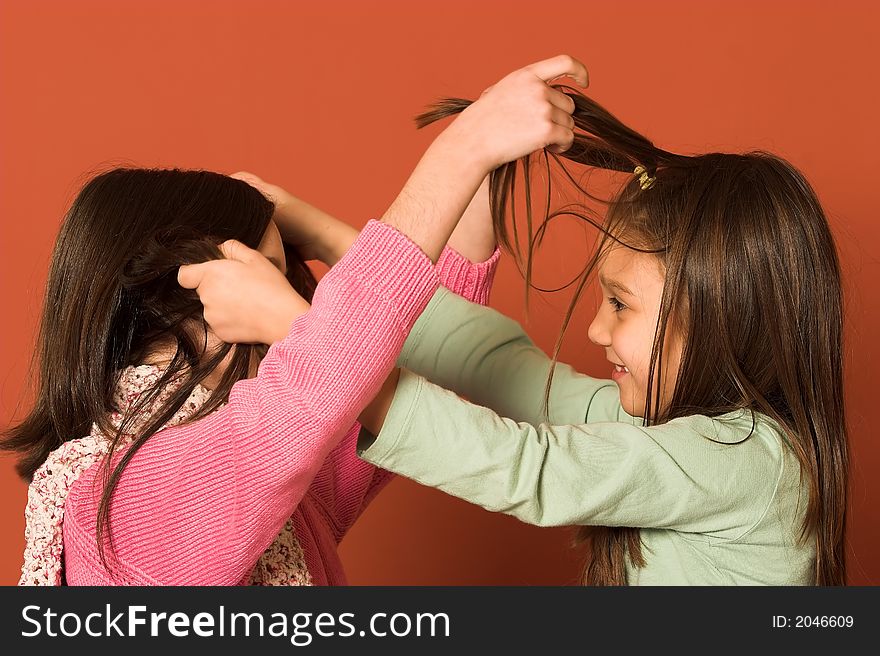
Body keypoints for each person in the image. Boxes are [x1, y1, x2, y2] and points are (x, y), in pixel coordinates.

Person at [194, 66, 848, 585]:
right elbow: (498, 366)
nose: (596, 330)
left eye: (620, 304)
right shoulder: (670, 427)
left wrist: (305, 333)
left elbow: (525, 466)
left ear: (719, 320)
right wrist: (317, 230)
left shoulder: (748, 464)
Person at [5, 55, 589, 585]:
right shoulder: (118, 502)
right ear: (198, 288)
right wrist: (464, 149)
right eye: (275, 271)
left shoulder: (284, 494)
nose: (291, 297)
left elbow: (391, 360)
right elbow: (319, 381)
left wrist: (488, 172)